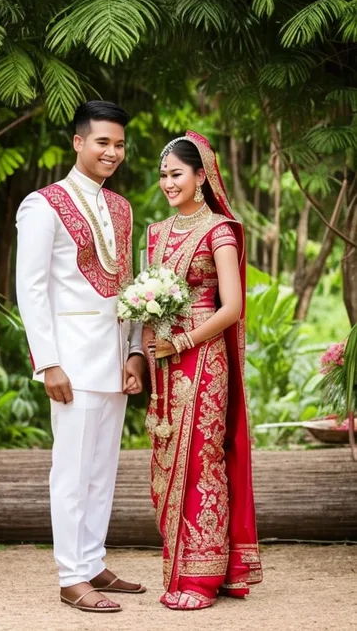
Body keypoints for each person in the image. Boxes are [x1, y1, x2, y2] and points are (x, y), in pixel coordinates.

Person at [16, 101, 146, 614]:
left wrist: (136, 352)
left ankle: (92, 562)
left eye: (119, 145)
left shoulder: (121, 209)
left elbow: (132, 287)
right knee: (70, 471)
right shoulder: (42, 204)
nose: (112, 152)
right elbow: (31, 289)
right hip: (69, 361)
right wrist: (48, 361)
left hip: (114, 361)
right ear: (78, 142)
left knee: (102, 470)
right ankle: (71, 577)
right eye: (102, 142)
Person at [143, 130, 262, 611]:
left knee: (201, 460)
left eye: (176, 174)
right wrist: (151, 337)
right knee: (165, 460)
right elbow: (148, 297)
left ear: (201, 175)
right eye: (163, 176)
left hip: (205, 358)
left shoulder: (219, 231)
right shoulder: (154, 232)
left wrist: (185, 339)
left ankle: (204, 577)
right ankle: (180, 565)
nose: (168, 184)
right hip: (163, 364)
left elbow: (232, 306)